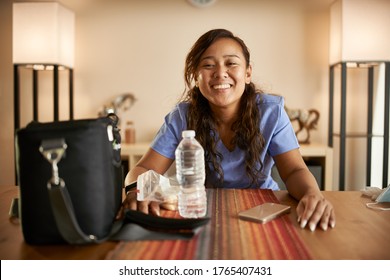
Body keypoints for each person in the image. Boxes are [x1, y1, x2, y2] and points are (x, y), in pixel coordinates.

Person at [118, 28, 336, 232]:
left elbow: (294, 171)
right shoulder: (182, 116)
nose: (220, 73)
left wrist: (312, 194)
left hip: (264, 207)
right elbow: (144, 168)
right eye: (208, 65)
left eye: (231, 63)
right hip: (205, 209)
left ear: (248, 73)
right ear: (196, 76)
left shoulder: (272, 113)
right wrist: (136, 191)